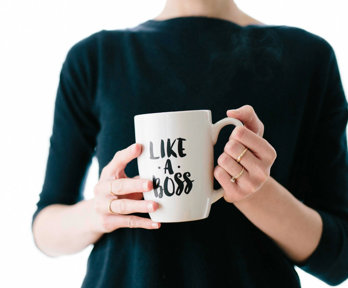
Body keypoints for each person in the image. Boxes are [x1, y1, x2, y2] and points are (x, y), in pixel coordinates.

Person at [31, 0, 348, 287]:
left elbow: (338, 259)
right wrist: (99, 212)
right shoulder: (95, 58)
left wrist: (256, 193)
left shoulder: (308, 58)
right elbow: (45, 228)